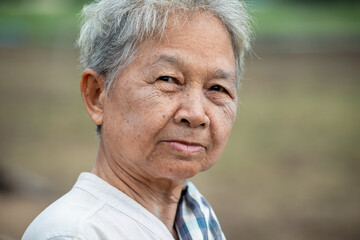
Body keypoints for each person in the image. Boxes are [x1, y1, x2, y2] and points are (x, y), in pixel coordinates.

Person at [22, 0, 251, 239]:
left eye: (217, 87)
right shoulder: (74, 233)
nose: (195, 114)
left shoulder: (198, 219)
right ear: (98, 95)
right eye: (168, 79)